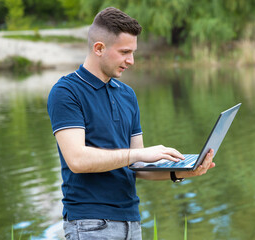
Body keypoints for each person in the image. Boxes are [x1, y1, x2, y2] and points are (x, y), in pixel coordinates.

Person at [47, 7, 215, 240]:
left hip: (131, 223)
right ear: (99, 48)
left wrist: (182, 171)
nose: (132, 61)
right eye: (125, 52)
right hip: (90, 224)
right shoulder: (66, 92)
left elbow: (138, 168)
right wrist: (139, 155)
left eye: (133, 52)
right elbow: (77, 160)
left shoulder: (127, 95)